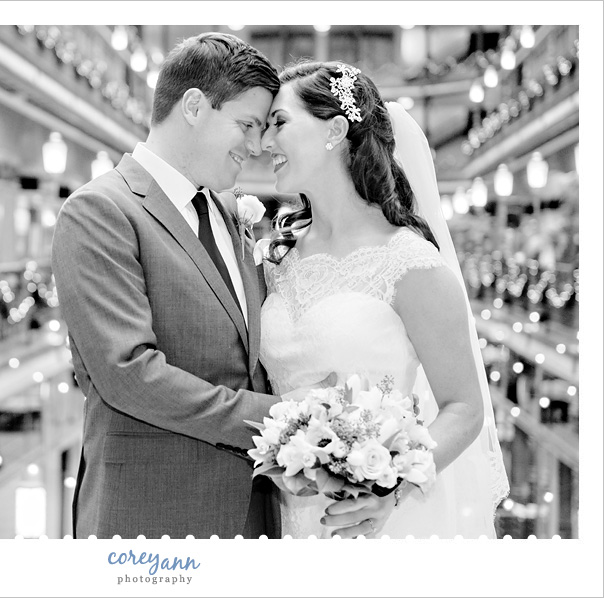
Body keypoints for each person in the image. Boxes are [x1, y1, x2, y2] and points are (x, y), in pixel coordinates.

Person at [258, 60, 509, 538]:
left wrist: (388, 488)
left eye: (280, 123)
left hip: (383, 519)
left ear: (334, 129)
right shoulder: (276, 258)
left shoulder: (411, 263)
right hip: (289, 515)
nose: (266, 143)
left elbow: (465, 407)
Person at [52, 32, 282, 539]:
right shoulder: (102, 210)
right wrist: (276, 419)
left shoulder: (226, 212)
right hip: (152, 518)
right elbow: (129, 372)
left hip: (255, 514)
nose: (258, 146)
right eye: (247, 125)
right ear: (195, 106)